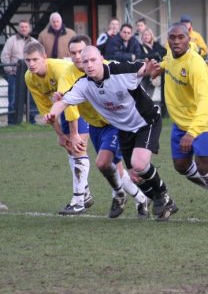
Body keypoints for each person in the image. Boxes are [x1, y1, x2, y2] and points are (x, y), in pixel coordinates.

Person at [44, 46, 177, 221]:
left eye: (93, 60)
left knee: (139, 163)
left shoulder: (118, 70)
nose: (89, 65)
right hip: (124, 129)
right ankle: (166, 202)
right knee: (135, 177)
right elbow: (64, 101)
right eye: (85, 62)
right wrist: (52, 113)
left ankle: (162, 194)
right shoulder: (84, 85)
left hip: (146, 121)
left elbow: (142, 68)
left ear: (101, 58)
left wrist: (150, 70)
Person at [60, 35, 149, 218]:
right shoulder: (68, 74)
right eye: (73, 53)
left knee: (103, 162)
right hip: (94, 126)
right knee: (116, 169)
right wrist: (72, 132)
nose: (78, 57)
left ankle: (118, 194)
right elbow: (66, 102)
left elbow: (131, 84)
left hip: (114, 124)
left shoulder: (107, 67)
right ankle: (140, 198)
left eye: (81, 52)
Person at [160, 23, 208, 226]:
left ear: (189, 39)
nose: (176, 41)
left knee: (204, 165)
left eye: (181, 37)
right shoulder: (169, 53)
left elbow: (205, 101)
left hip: (205, 120)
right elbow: (168, 62)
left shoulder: (195, 64)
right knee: (181, 166)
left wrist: (192, 133)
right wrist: (157, 68)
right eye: (172, 37)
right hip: (182, 120)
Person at [24, 42, 92, 215]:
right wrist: (61, 135)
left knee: (78, 148)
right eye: (27, 60)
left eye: (35, 59)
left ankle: (79, 199)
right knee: (70, 148)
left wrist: (74, 133)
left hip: (84, 103)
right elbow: (47, 111)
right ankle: (85, 194)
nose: (31, 64)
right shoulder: (29, 78)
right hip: (64, 107)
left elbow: (71, 103)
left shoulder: (60, 70)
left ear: (45, 57)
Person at [1, 19, 38, 124]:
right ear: (18, 28)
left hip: (31, 75)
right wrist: (10, 70)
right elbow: (4, 56)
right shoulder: (11, 41)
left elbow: (40, 57)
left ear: (29, 28)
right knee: (13, 98)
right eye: (22, 27)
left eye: (26, 27)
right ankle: (12, 121)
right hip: (15, 75)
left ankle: (31, 120)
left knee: (31, 98)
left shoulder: (34, 42)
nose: (24, 29)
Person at [140, 27, 167, 99]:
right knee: (142, 93)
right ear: (142, 36)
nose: (146, 36)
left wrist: (154, 54)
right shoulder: (140, 46)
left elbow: (164, 51)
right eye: (144, 35)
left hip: (154, 73)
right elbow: (141, 56)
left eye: (148, 35)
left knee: (150, 95)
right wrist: (155, 54)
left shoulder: (156, 44)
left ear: (151, 36)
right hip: (144, 73)